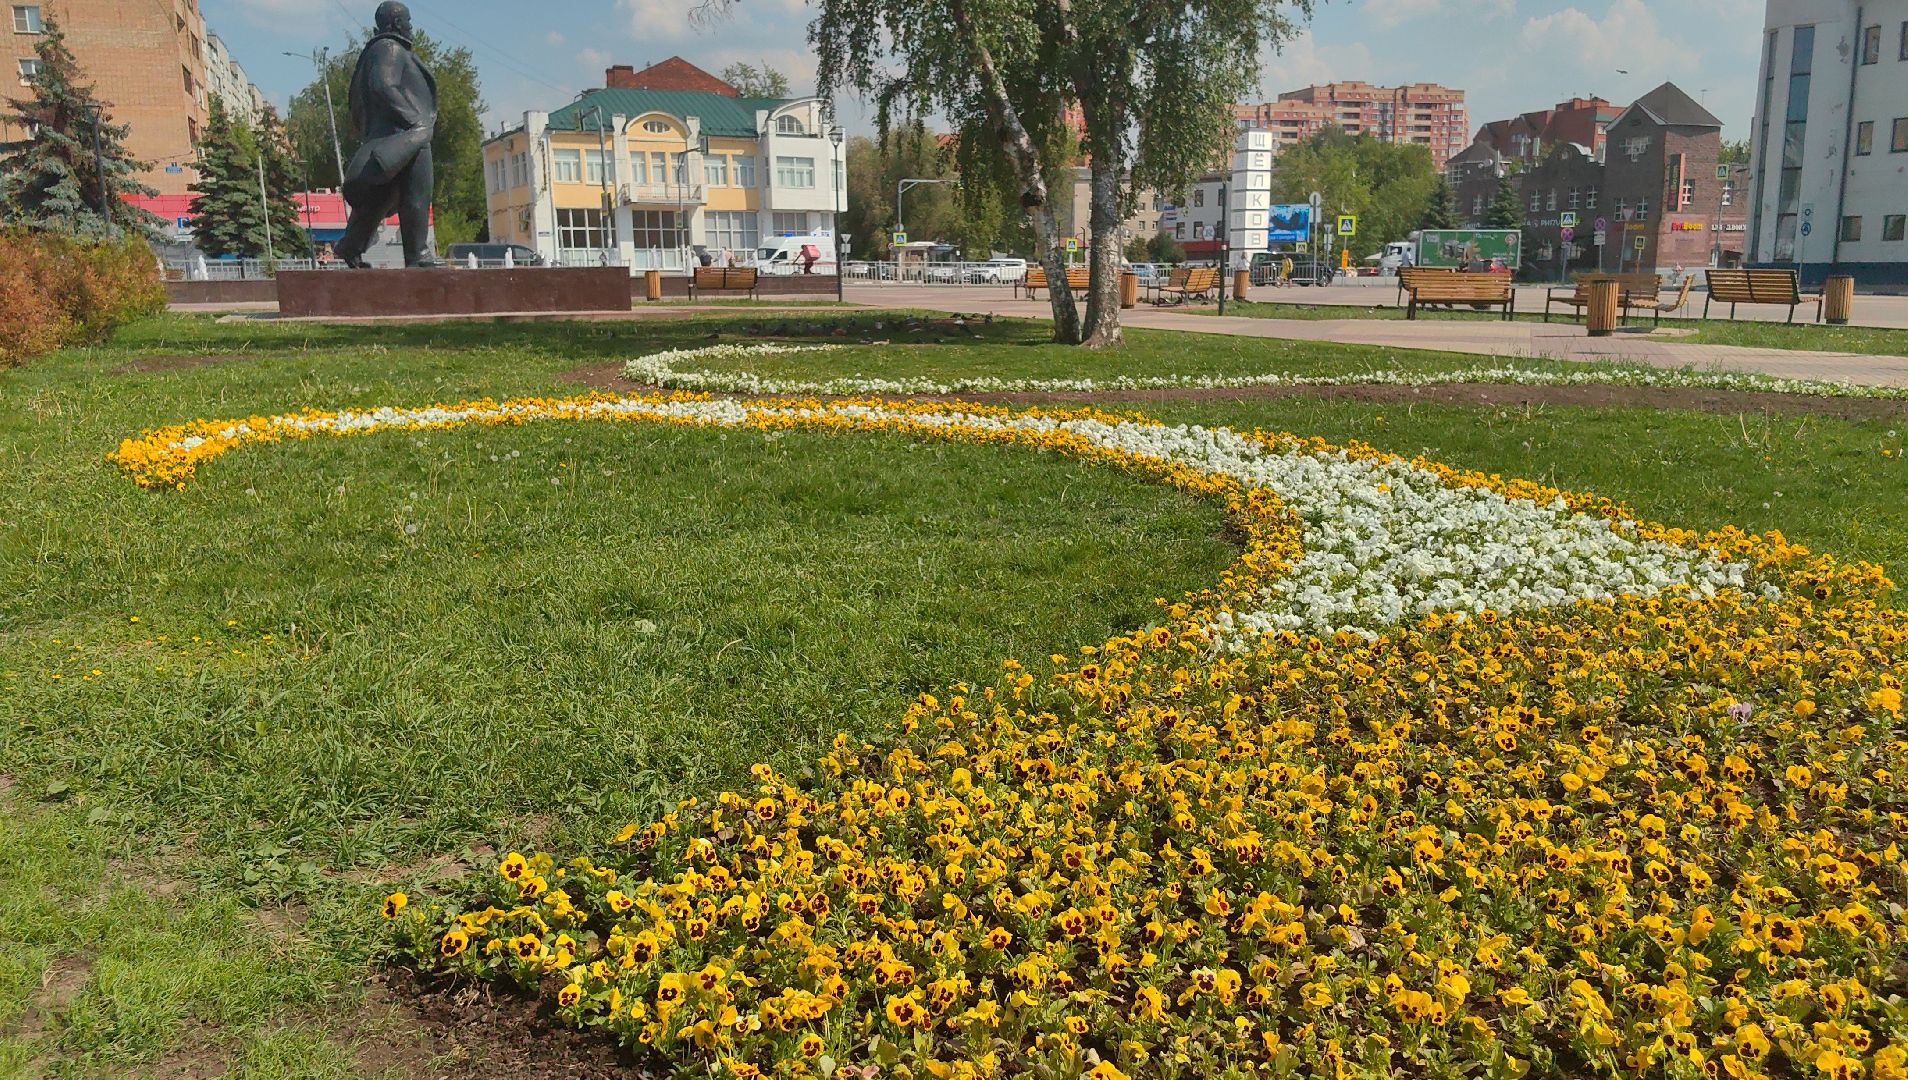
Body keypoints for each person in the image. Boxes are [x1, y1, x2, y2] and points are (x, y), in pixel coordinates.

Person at [333, 2, 439, 268]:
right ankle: (417, 255)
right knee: (417, 194)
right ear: (395, 23)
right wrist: (415, 120)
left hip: (394, 136)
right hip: (407, 137)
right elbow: (382, 85)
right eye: (408, 21)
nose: (410, 27)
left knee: (380, 199)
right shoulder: (389, 48)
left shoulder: (380, 49)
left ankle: (351, 245)